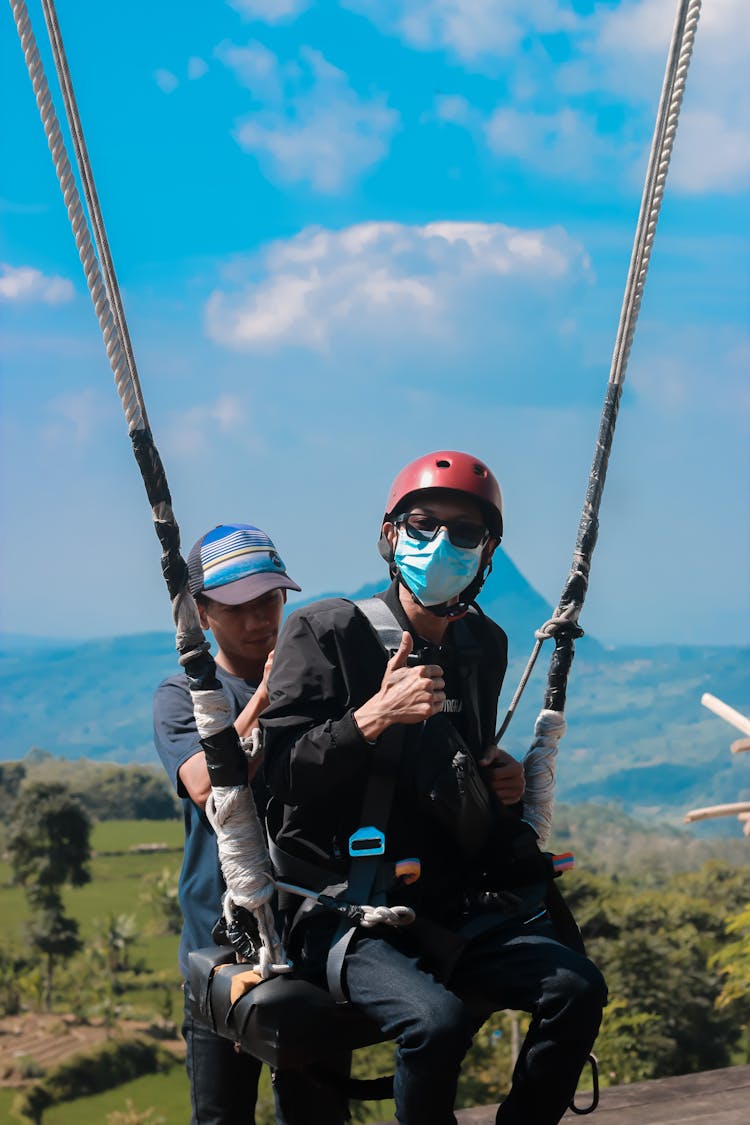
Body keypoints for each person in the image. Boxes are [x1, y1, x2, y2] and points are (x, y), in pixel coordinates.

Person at [261, 451, 607, 1125]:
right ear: (391, 535)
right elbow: (279, 781)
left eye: (463, 533)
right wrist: (370, 717)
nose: (440, 544)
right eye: (422, 525)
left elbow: (451, 762)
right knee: (437, 1023)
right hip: (346, 908)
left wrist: (493, 777)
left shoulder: (483, 642)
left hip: (449, 900)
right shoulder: (328, 632)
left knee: (575, 987)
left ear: (488, 552)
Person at [153, 523, 348, 1125]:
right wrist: (264, 698)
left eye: (269, 600)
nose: (261, 619)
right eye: (238, 607)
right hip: (221, 951)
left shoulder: (318, 688)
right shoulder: (179, 697)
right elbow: (211, 786)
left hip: (309, 936)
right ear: (201, 614)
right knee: (222, 1115)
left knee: (319, 1114)